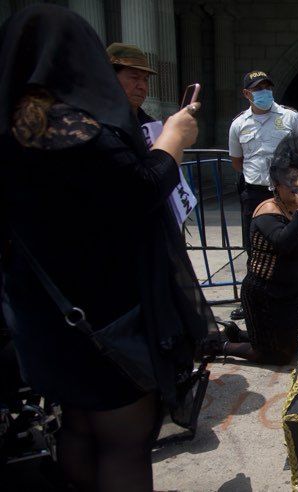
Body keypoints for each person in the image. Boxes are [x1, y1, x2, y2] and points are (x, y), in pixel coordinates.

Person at [0, 6, 214, 491]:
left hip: (44, 317)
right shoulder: (76, 131)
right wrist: (173, 140)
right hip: (106, 318)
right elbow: (137, 191)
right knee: (123, 443)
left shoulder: (15, 132)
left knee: (76, 429)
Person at [225, 133, 298, 365]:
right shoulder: (268, 211)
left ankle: (239, 334)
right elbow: (284, 243)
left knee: (293, 347)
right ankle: (220, 345)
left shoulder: (294, 212)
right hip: (262, 293)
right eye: (292, 181)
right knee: (273, 355)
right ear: (277, 185)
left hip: (285, 293)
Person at [228, 70, 298, 321]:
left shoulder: (291, 117)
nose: (264, 92)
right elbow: (238, 161)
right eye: (257, 89)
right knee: (254, 247)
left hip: (288, 192)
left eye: (267, 87)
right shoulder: (239, 124)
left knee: (297, 244)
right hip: (255, 192)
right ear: (247, 94)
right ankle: (253, 300)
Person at [106, 42, 158, 124]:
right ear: (111, 77)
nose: (143, 86)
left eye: (145, 79)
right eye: (135, 77)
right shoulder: (92, 125)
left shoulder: (152, 126)